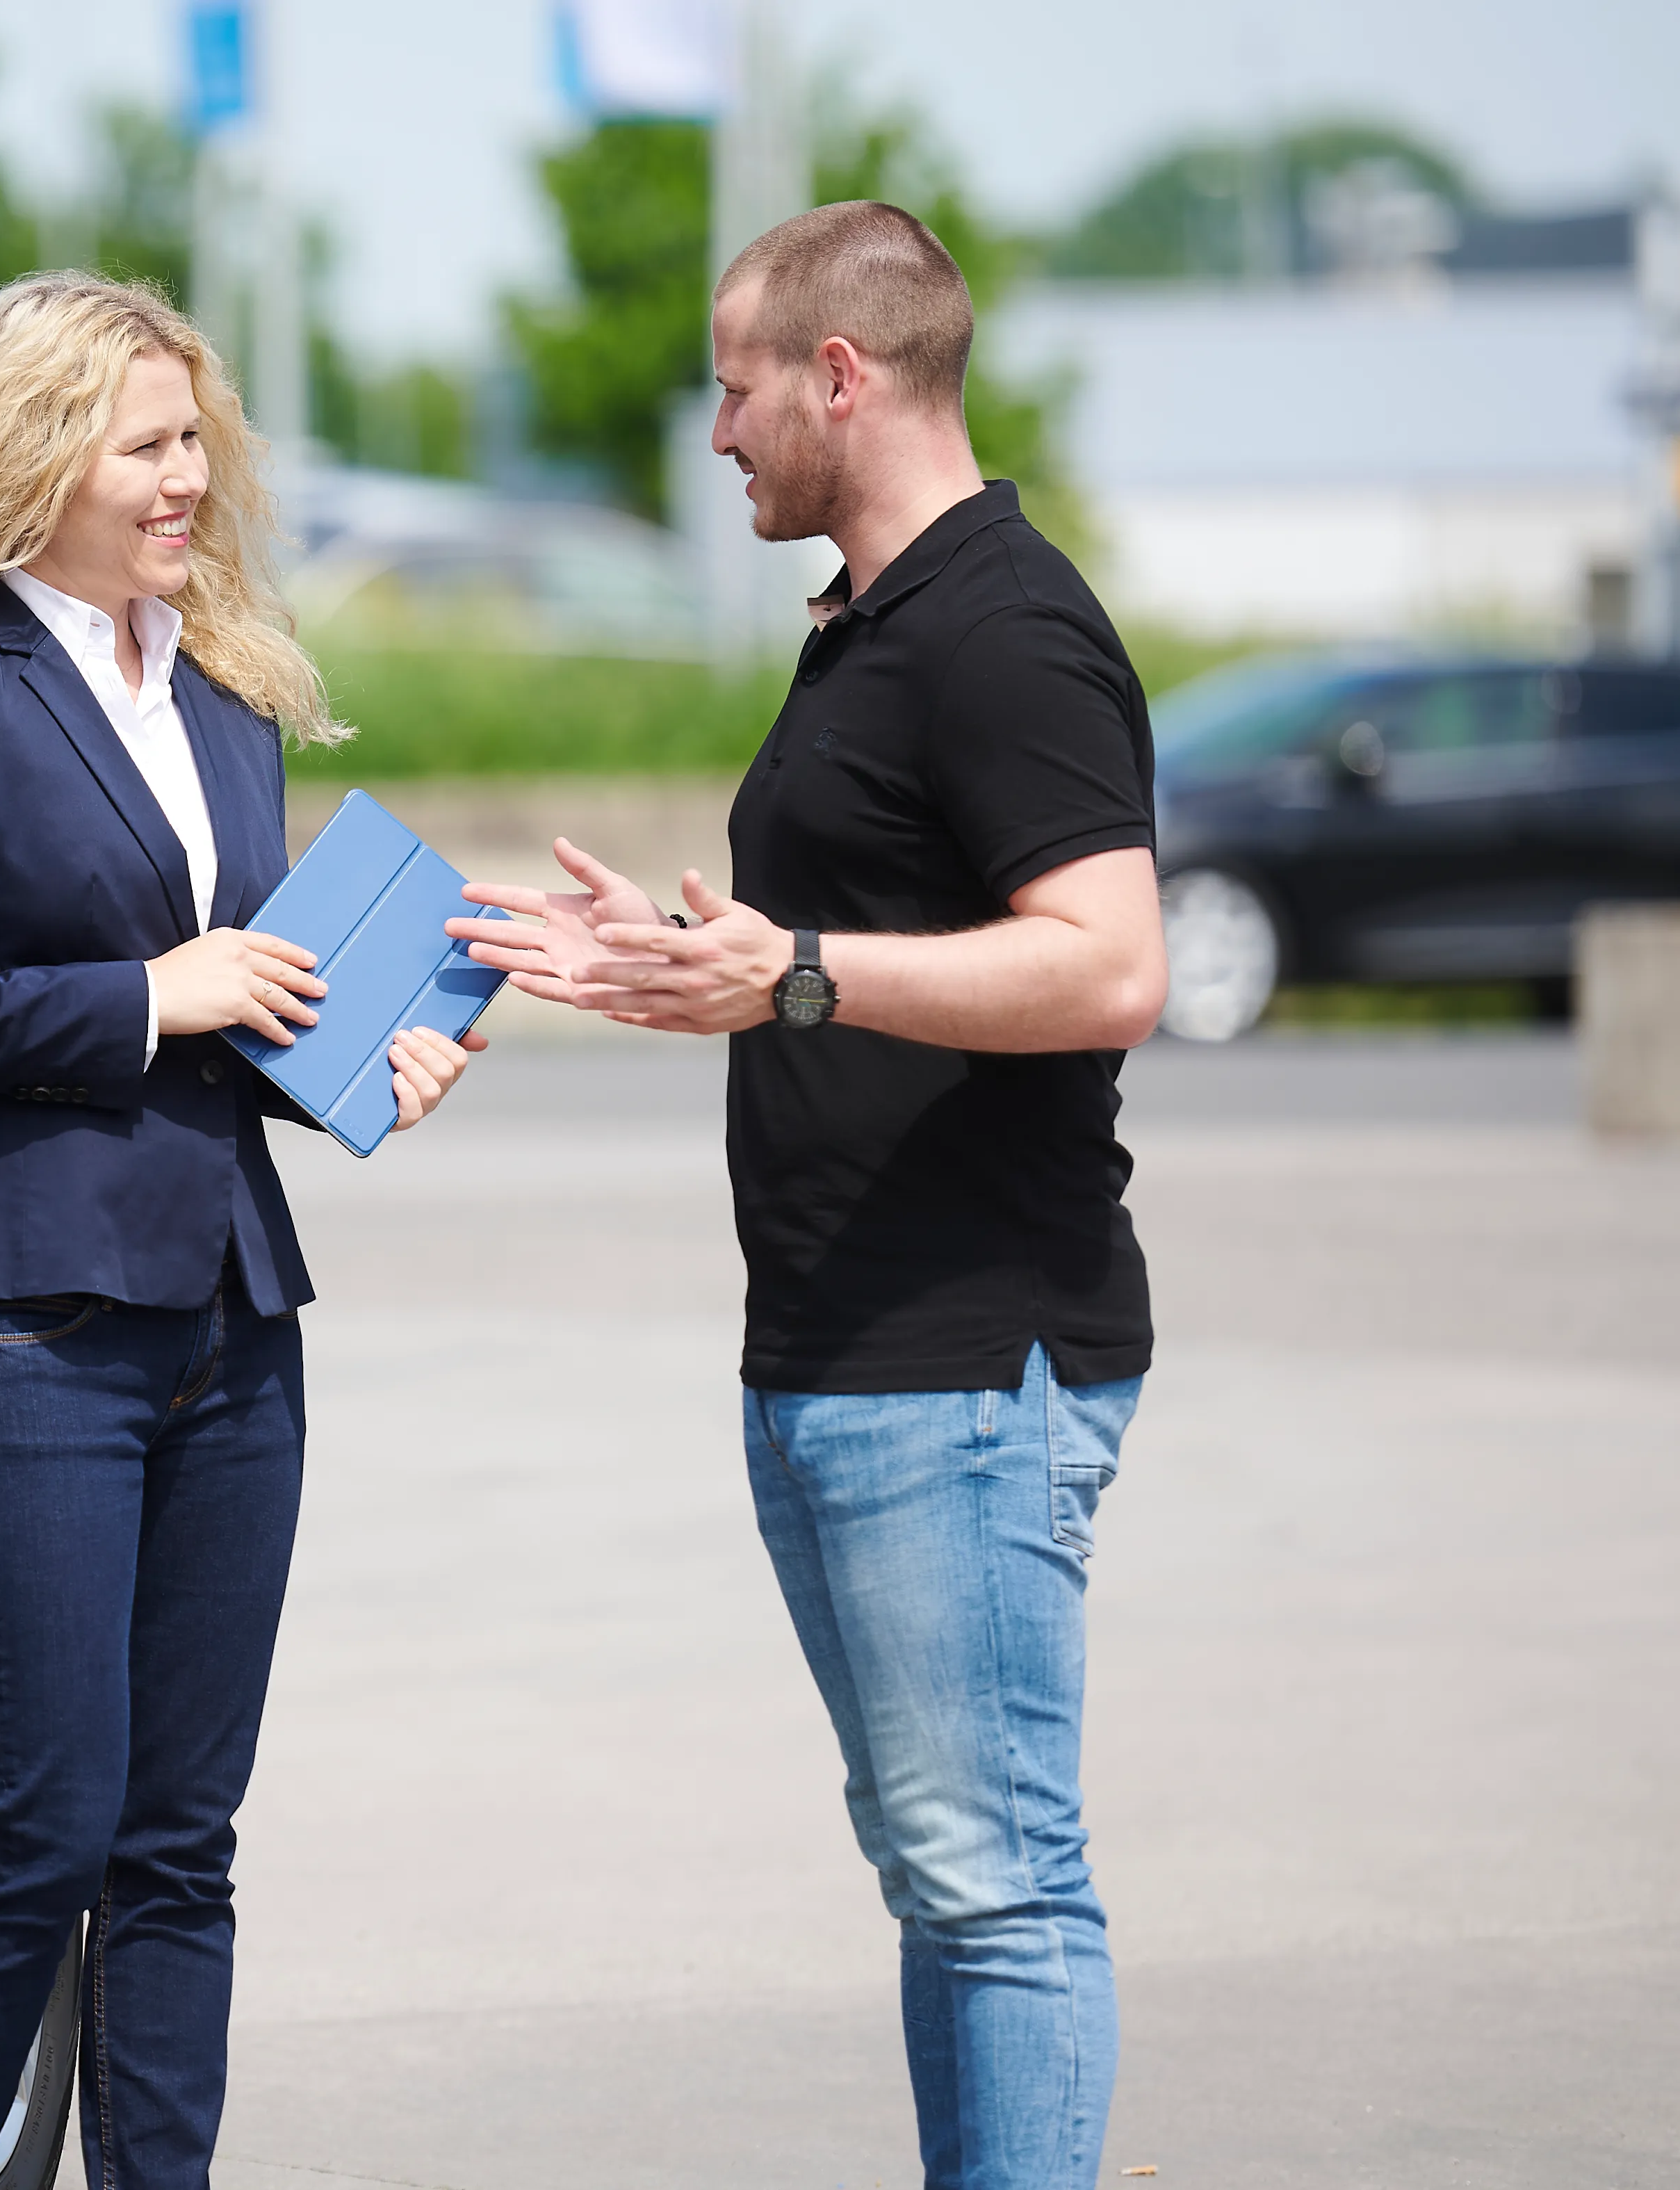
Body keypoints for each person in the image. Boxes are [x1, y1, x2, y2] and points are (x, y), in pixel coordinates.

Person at [450, 202, 1167, 2190]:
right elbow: (839, 945)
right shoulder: (876, 622)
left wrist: (796, 971)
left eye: (736, 384)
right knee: (946, 1883)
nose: (716, 432)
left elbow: (1110, 962)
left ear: (837, 378)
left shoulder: (1002, 625)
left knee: (997, 1886)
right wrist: (686, 958)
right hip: (849, 1355)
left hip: (962, 1359)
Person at [0, 270, 480, 2190]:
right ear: (35, 458)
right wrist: (144, 995)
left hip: (227, 1317)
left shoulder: (215, 690)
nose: (191, 477)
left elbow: (233, 1006)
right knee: (40, 1826)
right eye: (149, 443)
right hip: (20, 1328)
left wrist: (362, 1061)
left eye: (196, 438)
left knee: (184, 1843)